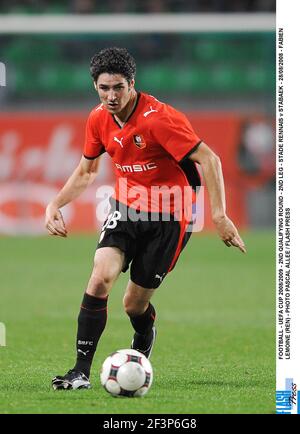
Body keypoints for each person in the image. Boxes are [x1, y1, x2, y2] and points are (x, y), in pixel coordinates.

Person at [45, 47, 246, 390]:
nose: (111, 95)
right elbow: (87, 170)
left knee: (133, 304)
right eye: (104, 88)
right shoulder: (97, 119)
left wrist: (220, 216)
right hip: (125, 209)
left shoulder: (159, 118)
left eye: (118, 87)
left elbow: (210, 160)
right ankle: (79, 371)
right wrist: (55, 203)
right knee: (100, 278)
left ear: (132, 84)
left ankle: (145, 333)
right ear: (95, 86)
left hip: (170, 215)